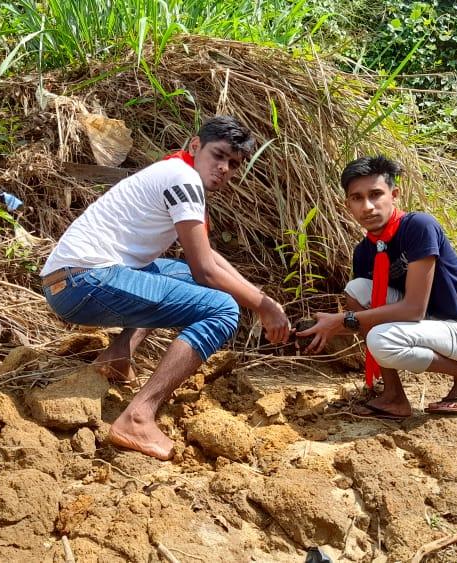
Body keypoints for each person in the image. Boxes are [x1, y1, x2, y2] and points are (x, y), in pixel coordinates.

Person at [40, 115, 291, 460]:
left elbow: (206, 258)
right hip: (84, 281)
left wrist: (265, 298)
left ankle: (116, 359)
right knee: (223, 308)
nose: (224, 168)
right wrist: (262, 307)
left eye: (233, 164)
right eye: (218, 156)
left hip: (69, 280)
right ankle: (138, 415)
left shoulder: (175, 173)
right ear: (195, 146)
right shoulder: (183, 180)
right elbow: (206, 272)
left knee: (175, 274)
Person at [297, 155, 457, 419]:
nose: (368, 206)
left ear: (394, 194)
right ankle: (394, 397)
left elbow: (413, 309)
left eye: (375, 194)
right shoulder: (364, 251)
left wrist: (344, 320)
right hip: (433, 327)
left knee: (381, 338)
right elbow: (370, 317)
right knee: (358, 289)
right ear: (347, 204)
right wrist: (325, 329)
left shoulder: (418, 226)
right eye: (357, 198)